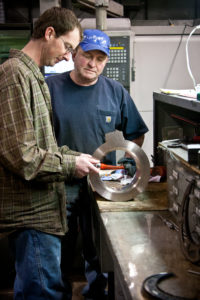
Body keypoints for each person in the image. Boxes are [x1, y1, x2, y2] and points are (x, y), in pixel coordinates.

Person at [0, 7, 100, 300]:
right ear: (49, 33)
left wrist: (78, 156)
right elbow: (23, 156)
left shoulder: (32, 76)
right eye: (68, 47)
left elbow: (45, 146)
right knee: (41, 293)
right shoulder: (14, 75)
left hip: (43, 211)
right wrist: (71, 164)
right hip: (31, 216)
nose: (68, 56)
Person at [46, 29, 149, 300]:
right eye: (87, 56)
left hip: (102, 182)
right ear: (74, 55)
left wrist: (119, 165)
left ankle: (97, 294)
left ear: (105, 62)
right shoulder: (51, 88)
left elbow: (135, 132)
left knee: (99, 247)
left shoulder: (115, 91)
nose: (93, 64)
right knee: (59, 248)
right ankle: (60, 294)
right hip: (60, 182)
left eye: (100, 59)